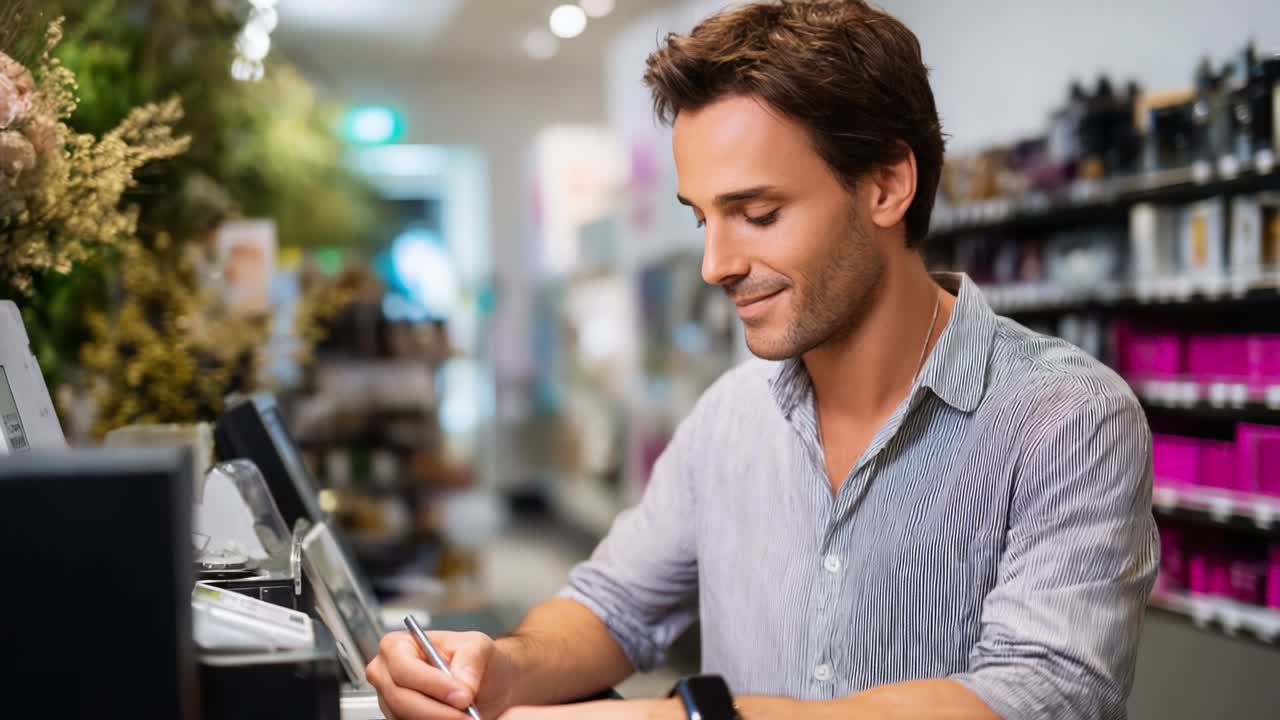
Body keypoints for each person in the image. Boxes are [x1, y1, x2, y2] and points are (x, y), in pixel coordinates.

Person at [366, 1, 1158, 718]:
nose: (715, 263)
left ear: (887, 184)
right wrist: (501, 667)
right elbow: (612, 608)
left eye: (756, 213)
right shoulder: (730, 416)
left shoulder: (1068, 418)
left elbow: (1043, 695)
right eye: (702, 217)